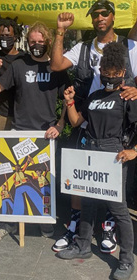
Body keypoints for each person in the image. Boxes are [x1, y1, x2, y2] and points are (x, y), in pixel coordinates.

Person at [50, 0, 137, 253]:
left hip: (119, 123)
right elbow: (56, 65)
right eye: (95, 14)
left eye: (104, 13)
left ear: (112, 17)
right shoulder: (83, 48)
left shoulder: (129, 45)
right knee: (82, 179)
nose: (100, 18)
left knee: (115, 184)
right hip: (88, 116)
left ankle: (109, 225)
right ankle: (78, 225)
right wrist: (60, 31)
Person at [57, 41, 136, 280]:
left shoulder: (128, 96)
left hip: (113, 152)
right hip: (90, 150)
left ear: (122, 72)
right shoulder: (94, 95)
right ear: (100, 71)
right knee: (88, 202)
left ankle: (126, 261)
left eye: (114, 74)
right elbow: (76, 121)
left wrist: (134, 150)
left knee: (118, 209)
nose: (109, 77)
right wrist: (69, 101)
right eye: (106, 73)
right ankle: (82, 245)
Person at [0, 21, 69, 242]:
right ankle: (7, 222)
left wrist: (60, 125)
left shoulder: (57, 68)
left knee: (43, 183)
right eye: (32, 41)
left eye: (40, 42)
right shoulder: (18, 65)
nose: (36, 45)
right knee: (12, 180)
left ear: (48, 42)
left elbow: (69, 99)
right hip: (19, 133)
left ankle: (45, 221)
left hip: (46, 136)